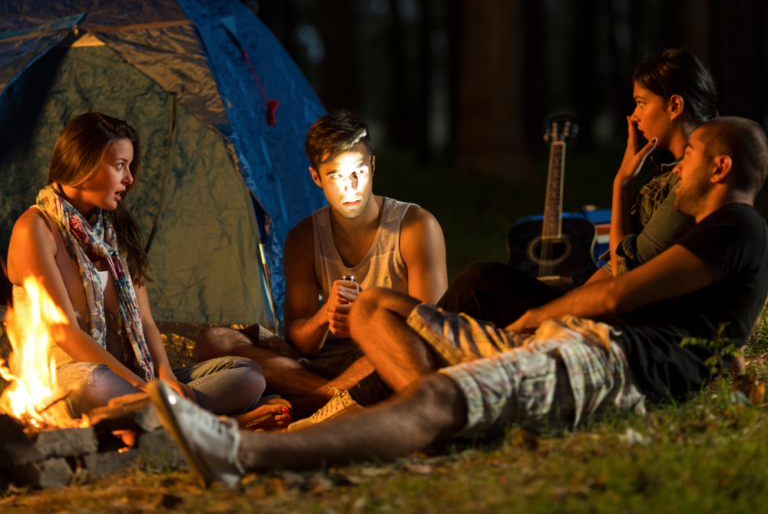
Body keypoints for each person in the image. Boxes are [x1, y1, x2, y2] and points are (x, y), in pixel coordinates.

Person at [150, 116, 768, 486]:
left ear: (719, 167)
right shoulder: (303, 236)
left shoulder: (737, 226)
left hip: (614, 355)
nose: (675, 165)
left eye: (686, 157)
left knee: (440, 392)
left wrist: (535, 316)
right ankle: (421, 411)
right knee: (373, 310)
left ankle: (247, 452)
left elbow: (621, 292)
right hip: (585, 340)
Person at [6, 113, 290, 429]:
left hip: (133, 379)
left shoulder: (112, 236)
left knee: (248, 374)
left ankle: (160, 419)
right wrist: (145, 387)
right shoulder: (35, 228)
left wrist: (164, 374)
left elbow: (145, 321)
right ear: (83, 164)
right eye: (119, 165)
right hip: (67, 379)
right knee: (95, 384)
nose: (129, 178)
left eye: (129, 166)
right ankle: (220, 424)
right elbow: (63, 331)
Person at [194, 110, 448, 421]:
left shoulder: (415, 227)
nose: (350, 188)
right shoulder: (304, 238)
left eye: (358, 172)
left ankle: (306, 404)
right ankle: (341, 395)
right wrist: (324, 316)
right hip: (326, 363)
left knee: (405, 349)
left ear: (372, 165)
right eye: (336, 176)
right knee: (214, 341)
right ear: (316, 177)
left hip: (389, 353)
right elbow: (301, 342)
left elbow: (431, 331)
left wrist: (372, 316)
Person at [440, 49, 718, 327]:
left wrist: (622, 182)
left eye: (641, 103)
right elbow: (615, 264)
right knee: (481, 283)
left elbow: (626, 269)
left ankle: (415, 340)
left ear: (674, 106)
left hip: (618, 319)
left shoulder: (690, 180)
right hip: (591, 300)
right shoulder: (666, 169)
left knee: (480, 283)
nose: (634, 116)